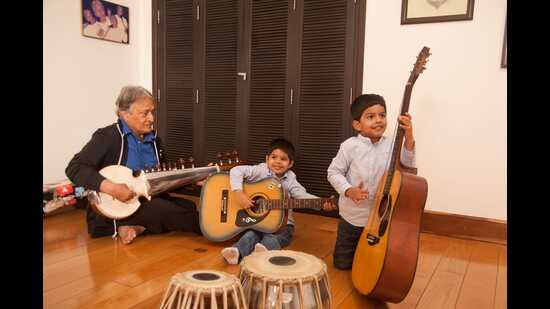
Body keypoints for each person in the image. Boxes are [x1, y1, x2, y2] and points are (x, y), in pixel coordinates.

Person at [65, 86, 202, 245]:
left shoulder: (155, 141)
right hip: (113, 207)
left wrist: (192, 180)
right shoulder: (108, 137)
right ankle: (216, 230)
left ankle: (138, 227)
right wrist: (112, 188)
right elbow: (74, 167)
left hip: (146, 198)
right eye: (145, 113)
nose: (151, 119)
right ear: (125, 114)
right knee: (167, 210)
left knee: (188, 205)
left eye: (152, 112)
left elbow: (163, 180)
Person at [327, 94, 416, 270]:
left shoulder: (392, 144)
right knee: (342, 264)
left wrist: (409, 136)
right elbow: (333, 172)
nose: (378, 120)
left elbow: (408, 165)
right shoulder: (350, 146)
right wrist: (348, 190)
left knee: (374, 262)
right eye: (371, 116)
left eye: (382, 115)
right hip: (352, 218)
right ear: (357, 125)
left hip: (380, 217)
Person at [221, 138, 336, 264]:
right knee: (251, 234)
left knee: (277, 236)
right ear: (267, 159)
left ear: (290, 164)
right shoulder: (261, 170)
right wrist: (239, 193)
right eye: (274, 157)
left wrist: (321, 203)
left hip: (284, 224)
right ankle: (236, 252)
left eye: (283, 159)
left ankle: (263, 251)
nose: (277, 162)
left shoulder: (290, 179)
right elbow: (236, 170)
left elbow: (302, 195)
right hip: (259, 220)